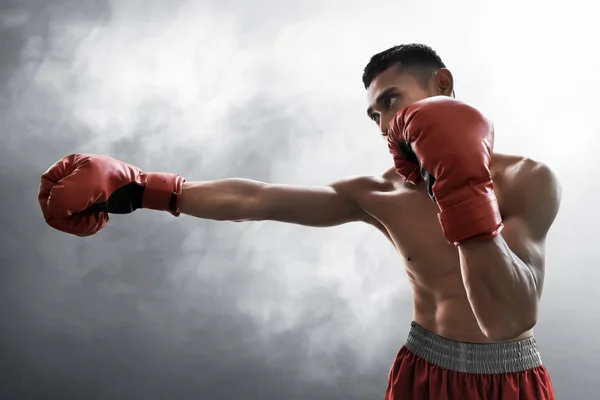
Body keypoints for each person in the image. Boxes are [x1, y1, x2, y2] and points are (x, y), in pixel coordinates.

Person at [38, 44, 560, 399]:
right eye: (375, 115)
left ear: (443, 85)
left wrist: (461, 187)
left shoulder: (528, 180)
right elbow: (256, 199)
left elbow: (509, 319)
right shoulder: (379, 193)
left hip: (508, 379)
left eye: (392, 102)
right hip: (422, 370)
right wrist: (143, 187)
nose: (384, 125)